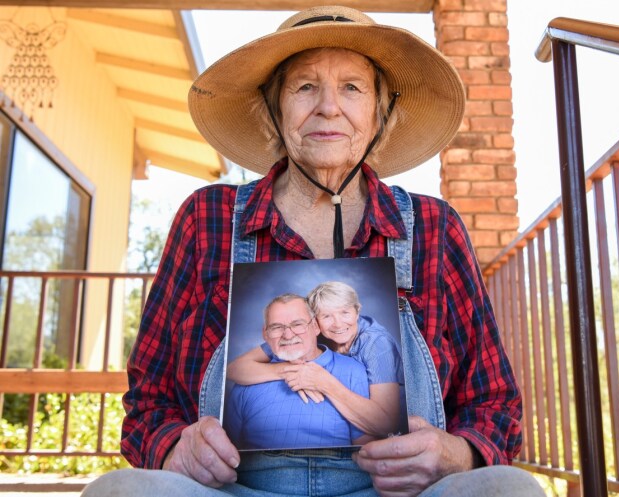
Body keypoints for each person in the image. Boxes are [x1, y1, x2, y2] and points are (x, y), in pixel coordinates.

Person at [82, 5, 545, 497]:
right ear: (273, 107)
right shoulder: (208, 219)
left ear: (380, 111)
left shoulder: (433, 226)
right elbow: (148, 397)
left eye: (352, 87)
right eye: (304, 86)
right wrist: (175, 447)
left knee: (508, 488)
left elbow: (494, 404)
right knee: (118, 491)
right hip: (229, 491)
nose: (328, 106)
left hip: (400, 493)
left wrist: (455, 453)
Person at [227, 281, 404, 437]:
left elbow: (386, 424)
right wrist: (290, 371)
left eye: (345, 312)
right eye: (326, 316)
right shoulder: (295, 335)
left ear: (357, 311)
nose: (338, 323)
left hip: (399, 424)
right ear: (316, 323)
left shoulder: (376, 343)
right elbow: (234, 369)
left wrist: (322, 382)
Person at [225, 293, 372, 450]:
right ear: (265, 333)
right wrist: (289, 370)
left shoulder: (352, 370)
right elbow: (228, 449)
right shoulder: (248, 379)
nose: (288, 335)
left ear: (315, 326)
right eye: (276, 327)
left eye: (297, 324)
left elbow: (366, 449)